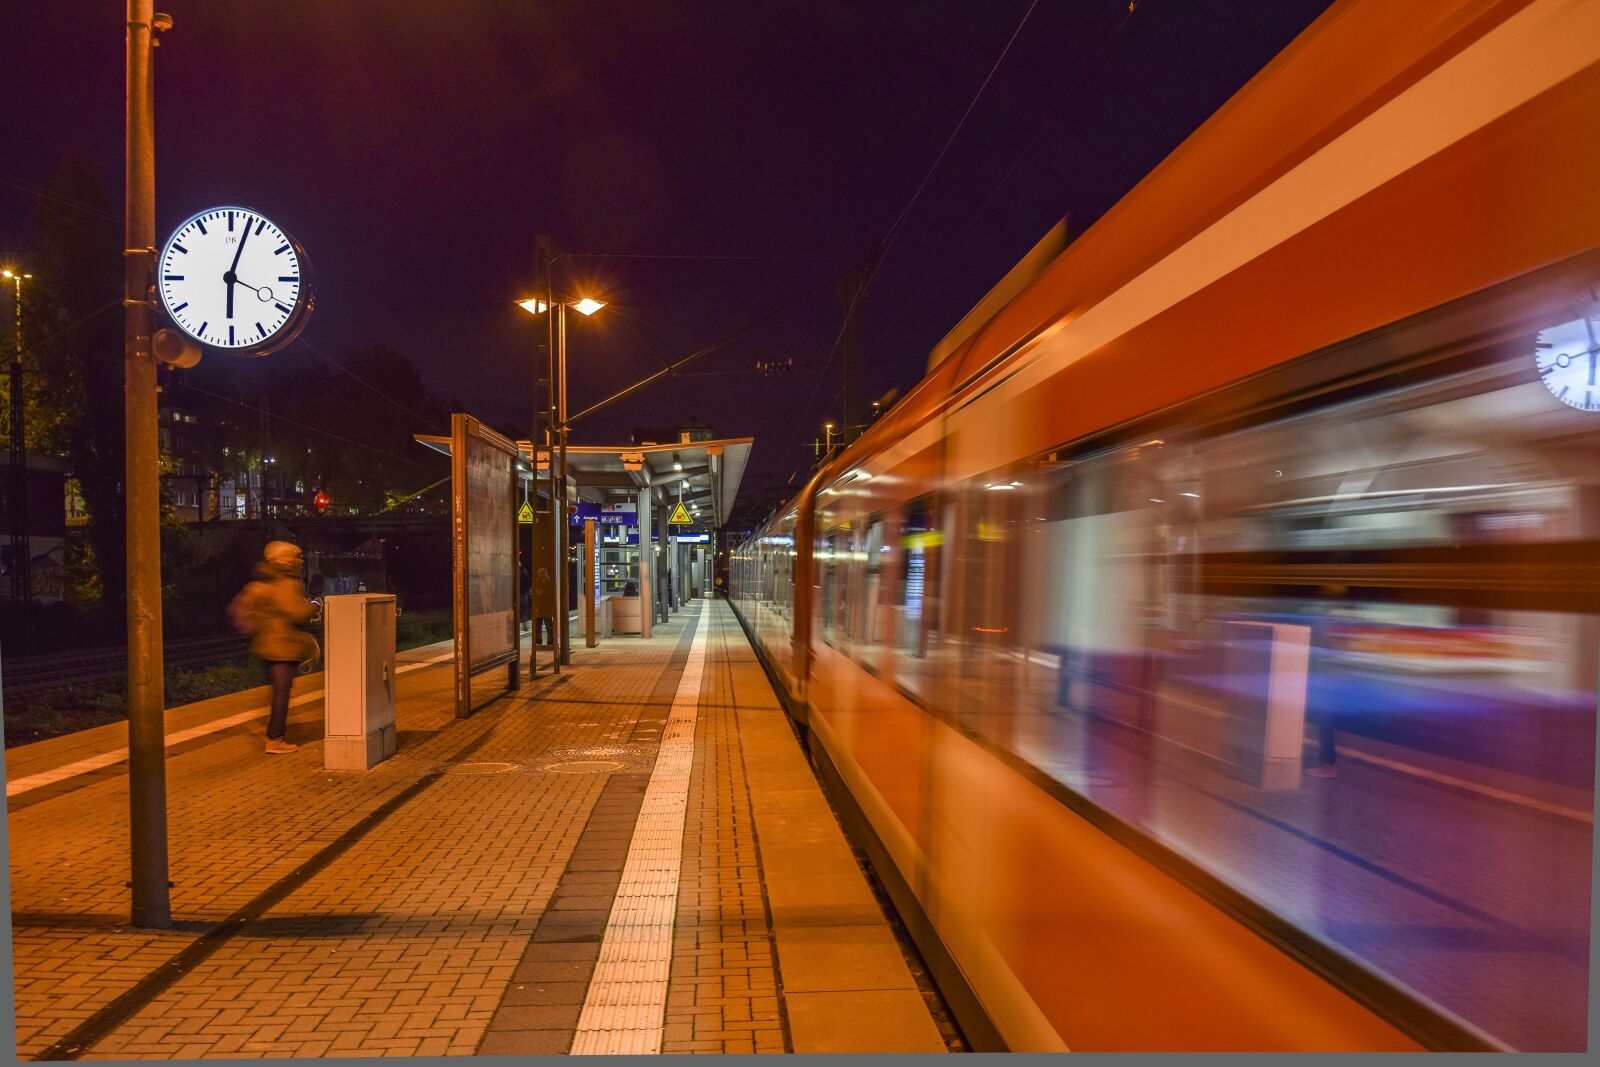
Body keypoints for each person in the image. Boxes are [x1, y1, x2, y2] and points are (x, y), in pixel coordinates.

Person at [232, 541, 318, 754]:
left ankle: (275, 732)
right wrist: (312, 607)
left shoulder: (263, 580)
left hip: (265, 644)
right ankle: (275, 738)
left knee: (279, 691)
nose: (299, 561)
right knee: (282, 693)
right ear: (285, 560)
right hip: (283, 647)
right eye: (295, 557)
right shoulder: (286, 583)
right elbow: (296, 612)